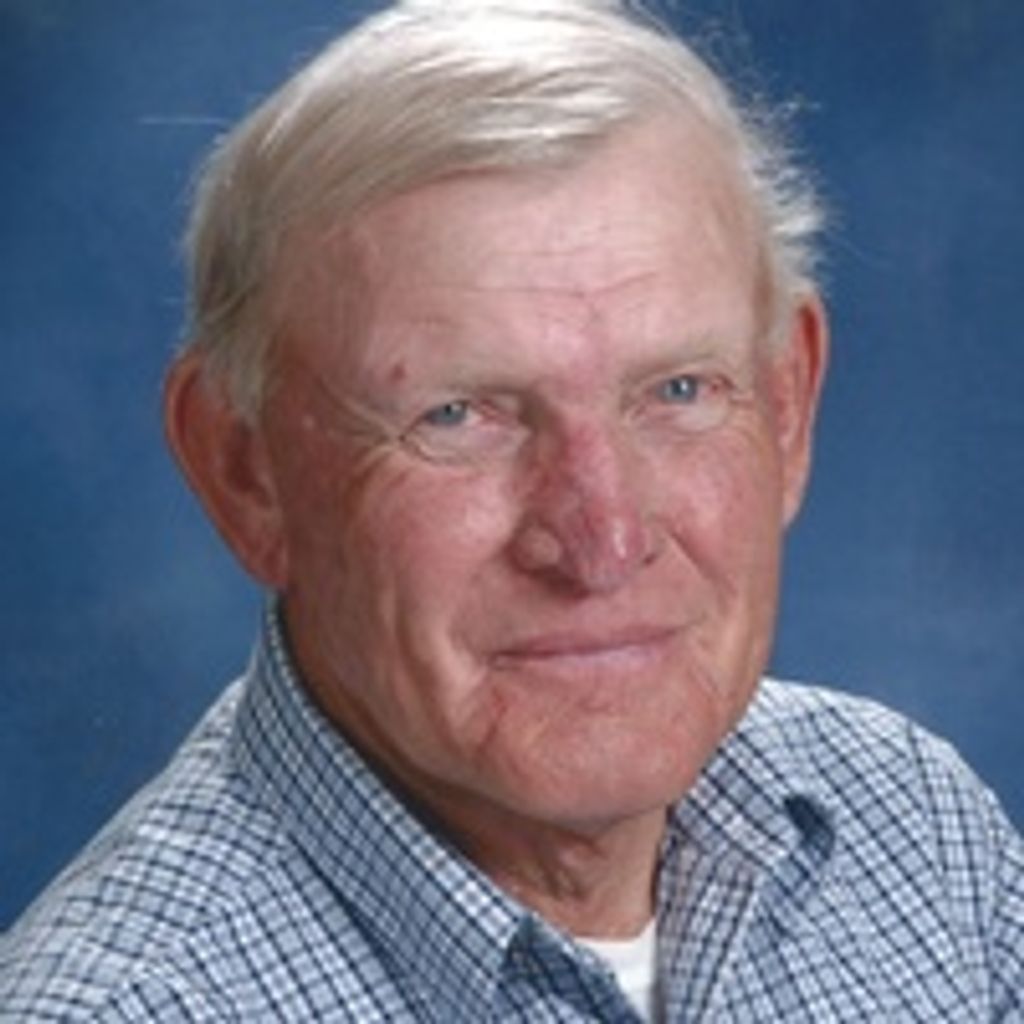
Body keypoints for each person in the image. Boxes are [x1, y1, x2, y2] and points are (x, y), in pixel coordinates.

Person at [2, 0, 1021, 1019]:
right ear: (244, 471)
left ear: (788, 407)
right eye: (459, 416)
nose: (602, 541)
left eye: (678, 391)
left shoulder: (918, 835)